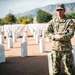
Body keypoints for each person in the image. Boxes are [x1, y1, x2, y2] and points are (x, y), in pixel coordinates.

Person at [46, 4, 74, 75]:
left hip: (66, 49)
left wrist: (60, 37)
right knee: (55, 69)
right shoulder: (53, 21)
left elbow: (70, 33)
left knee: (69, 70)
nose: (59, 12)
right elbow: (47, 32)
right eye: (57, 10)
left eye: (61, 10)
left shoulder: (69, 21)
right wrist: (54, 36)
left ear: (64, 11)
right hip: (55, 49)